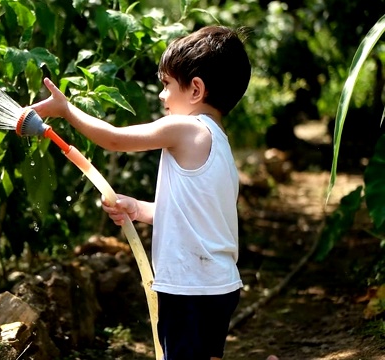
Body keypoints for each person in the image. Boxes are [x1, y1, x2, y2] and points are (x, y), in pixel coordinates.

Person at [31, 25, 254, 360]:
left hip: (189, 287)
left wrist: (66, 110)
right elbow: (192, 216)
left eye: (166, 85)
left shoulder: (186, 128)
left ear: (196, 89)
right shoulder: (220, 144)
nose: (162, 95)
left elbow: (114, 139)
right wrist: (137, 208)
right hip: (218, 286)